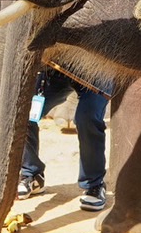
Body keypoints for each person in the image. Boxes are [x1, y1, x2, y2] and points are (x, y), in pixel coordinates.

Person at [16, 68, 110, 212]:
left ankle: (94, 184)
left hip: (97, 69)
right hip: (56, 70)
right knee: (23, 110)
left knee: (87, 118)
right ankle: (32, 174)